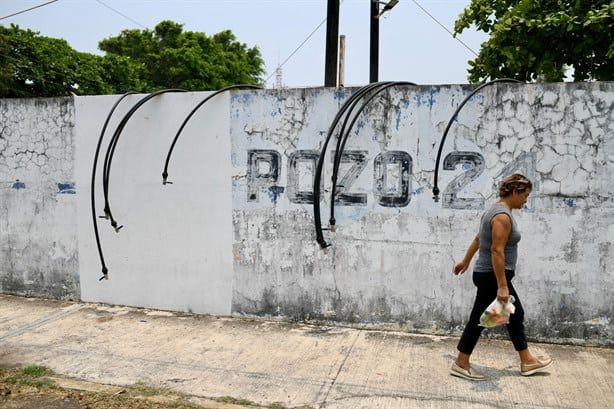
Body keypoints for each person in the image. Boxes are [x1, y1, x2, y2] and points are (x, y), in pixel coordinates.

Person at [450, 173, 553, 380]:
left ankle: (526, 360)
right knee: (480, 320)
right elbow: (497, 250)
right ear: (515, 191)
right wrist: (503, 286)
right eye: (525, 195)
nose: (526, 200)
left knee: (513, 315)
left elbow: (479, 239)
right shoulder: (502, 217)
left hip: (488, 274)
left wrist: (466, 261)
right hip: (493, 276)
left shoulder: (494, 210)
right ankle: (461, 362)